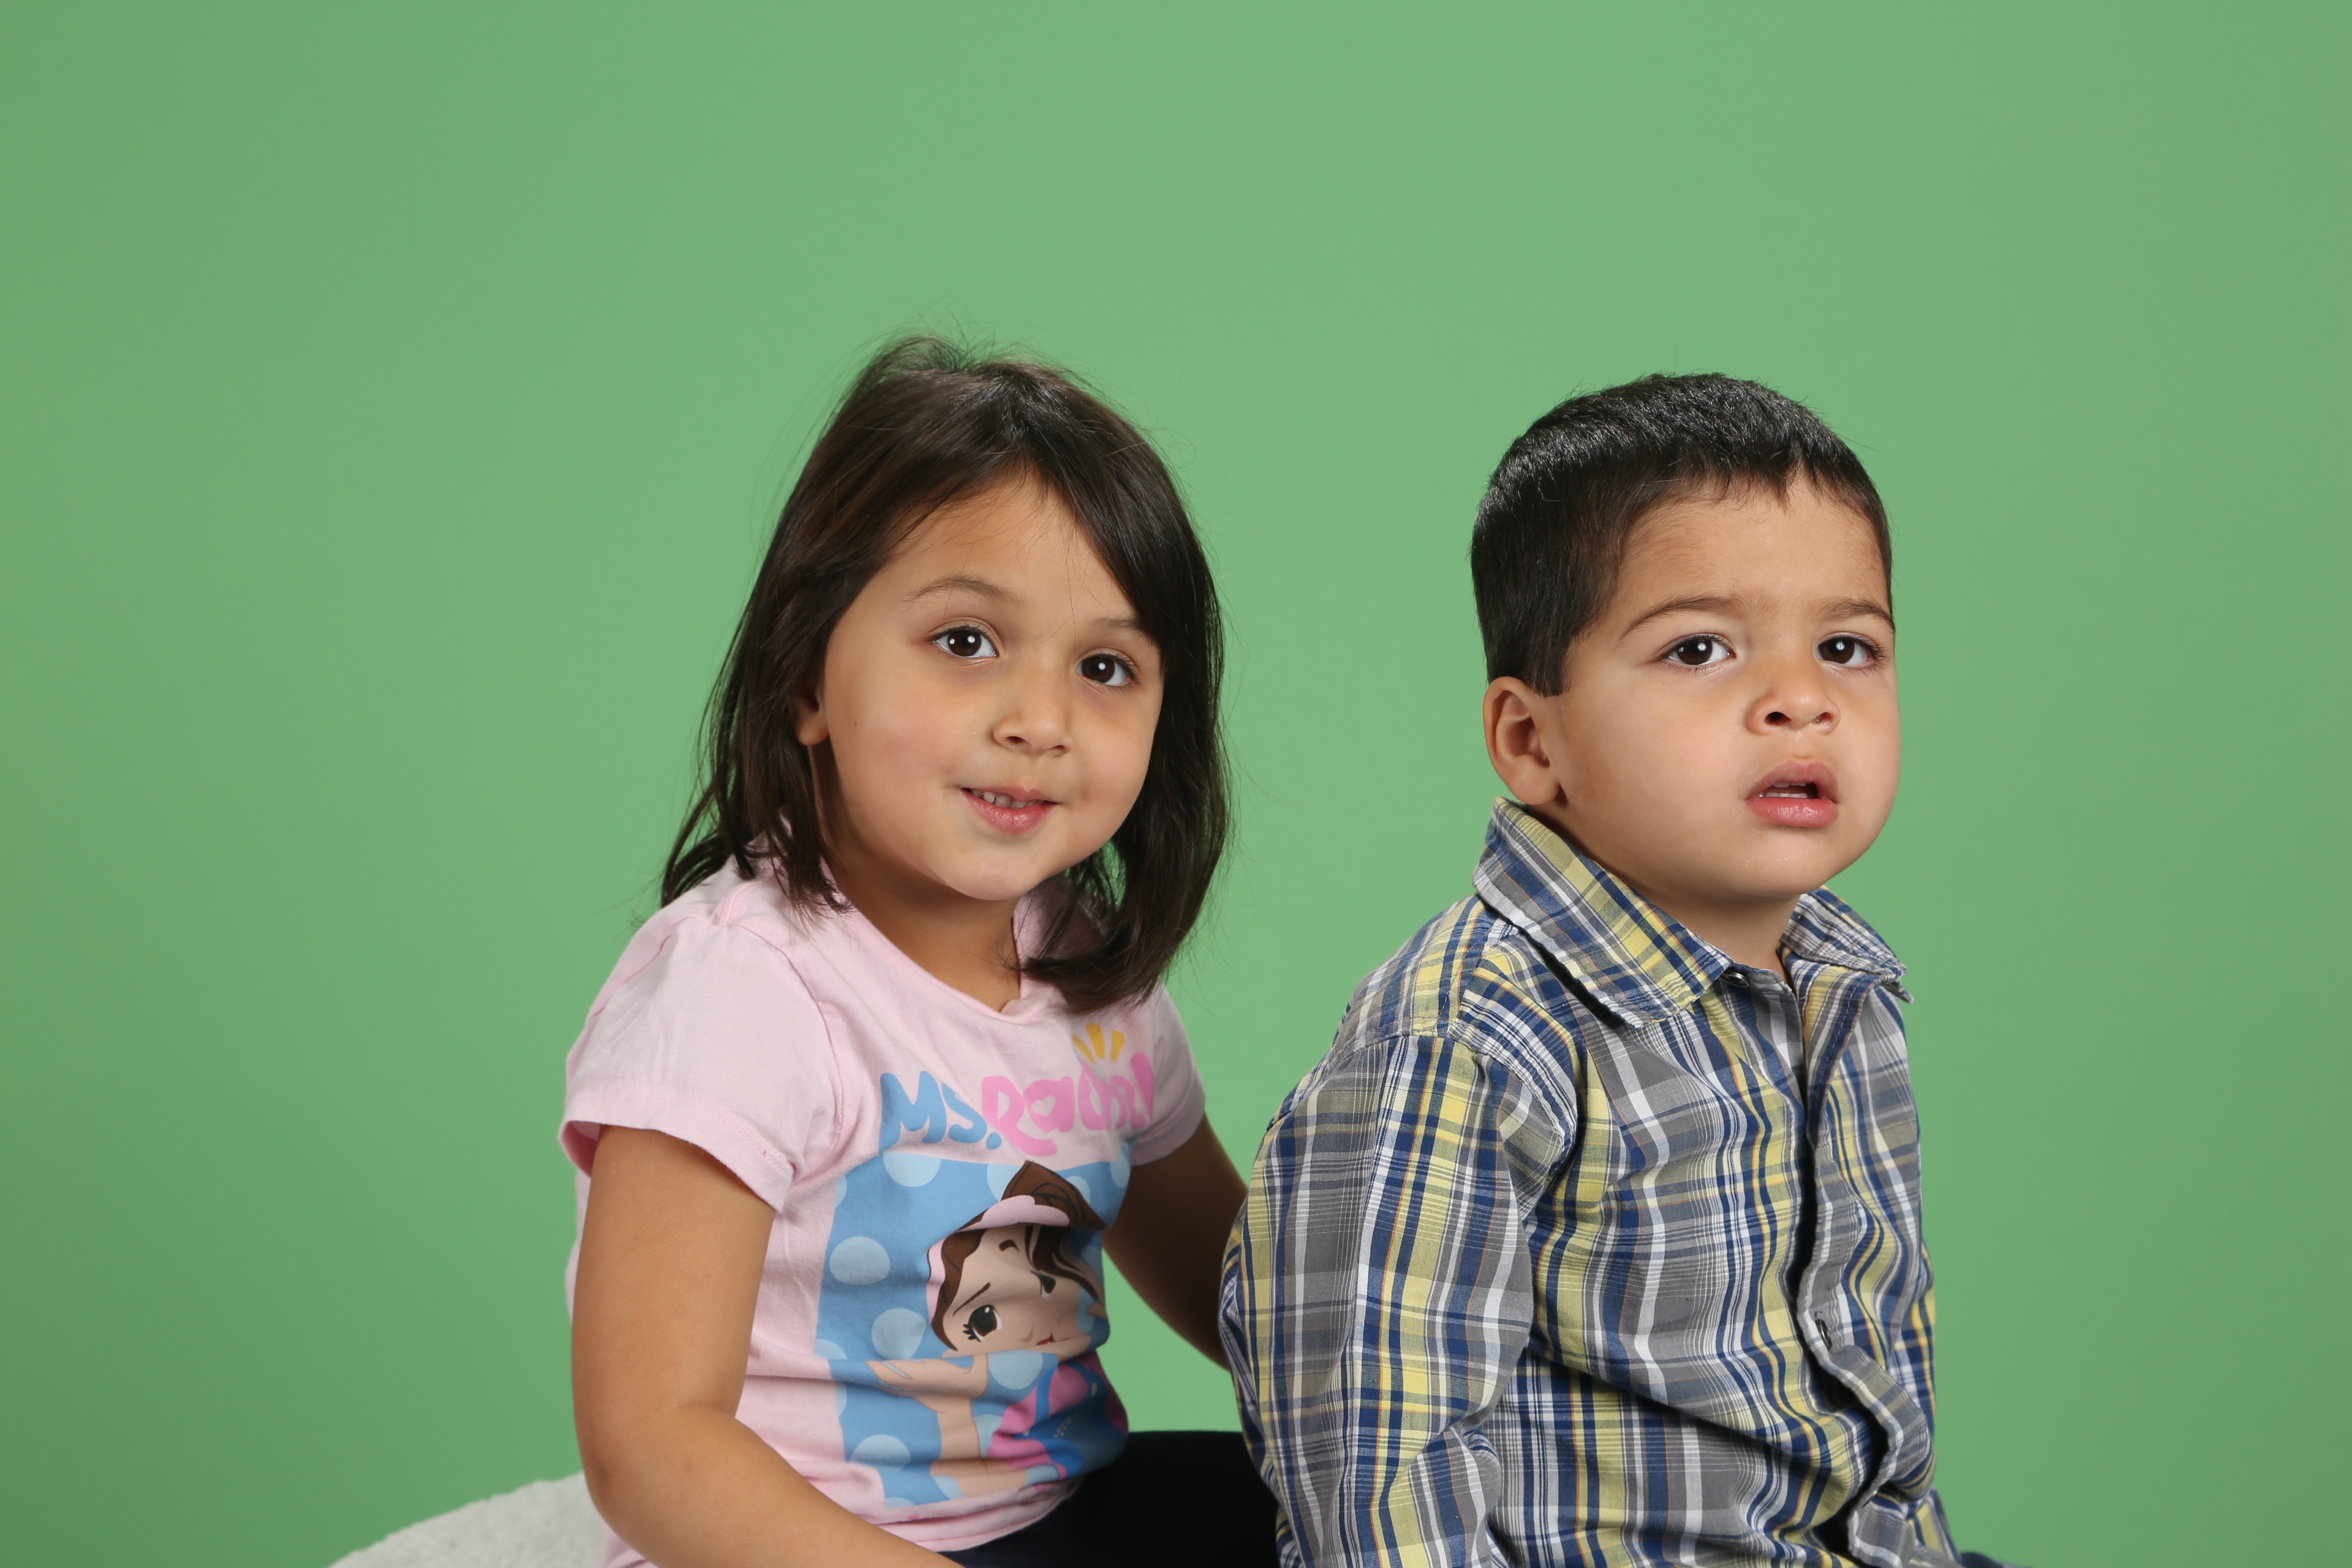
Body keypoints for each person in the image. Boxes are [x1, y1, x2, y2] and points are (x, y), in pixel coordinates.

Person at [1220, 375, 2022, 1568]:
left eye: (1847, 647)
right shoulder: (1469, 1037)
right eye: (1700, 648)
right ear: (1531, 739)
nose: (1800, 699)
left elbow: (1873, 1428)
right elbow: (1378, 1469)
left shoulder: (1847, 992)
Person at [564, 338, 1275, 1568]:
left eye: (1105, 667)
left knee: (1346, 1514)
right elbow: (651, 1443)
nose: (1040, 720)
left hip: (1057, 1509)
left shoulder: (1094, 980)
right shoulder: (744, 987)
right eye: (965, 640)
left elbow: (1249, 1297)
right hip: (803, 1546)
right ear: (806, 676)